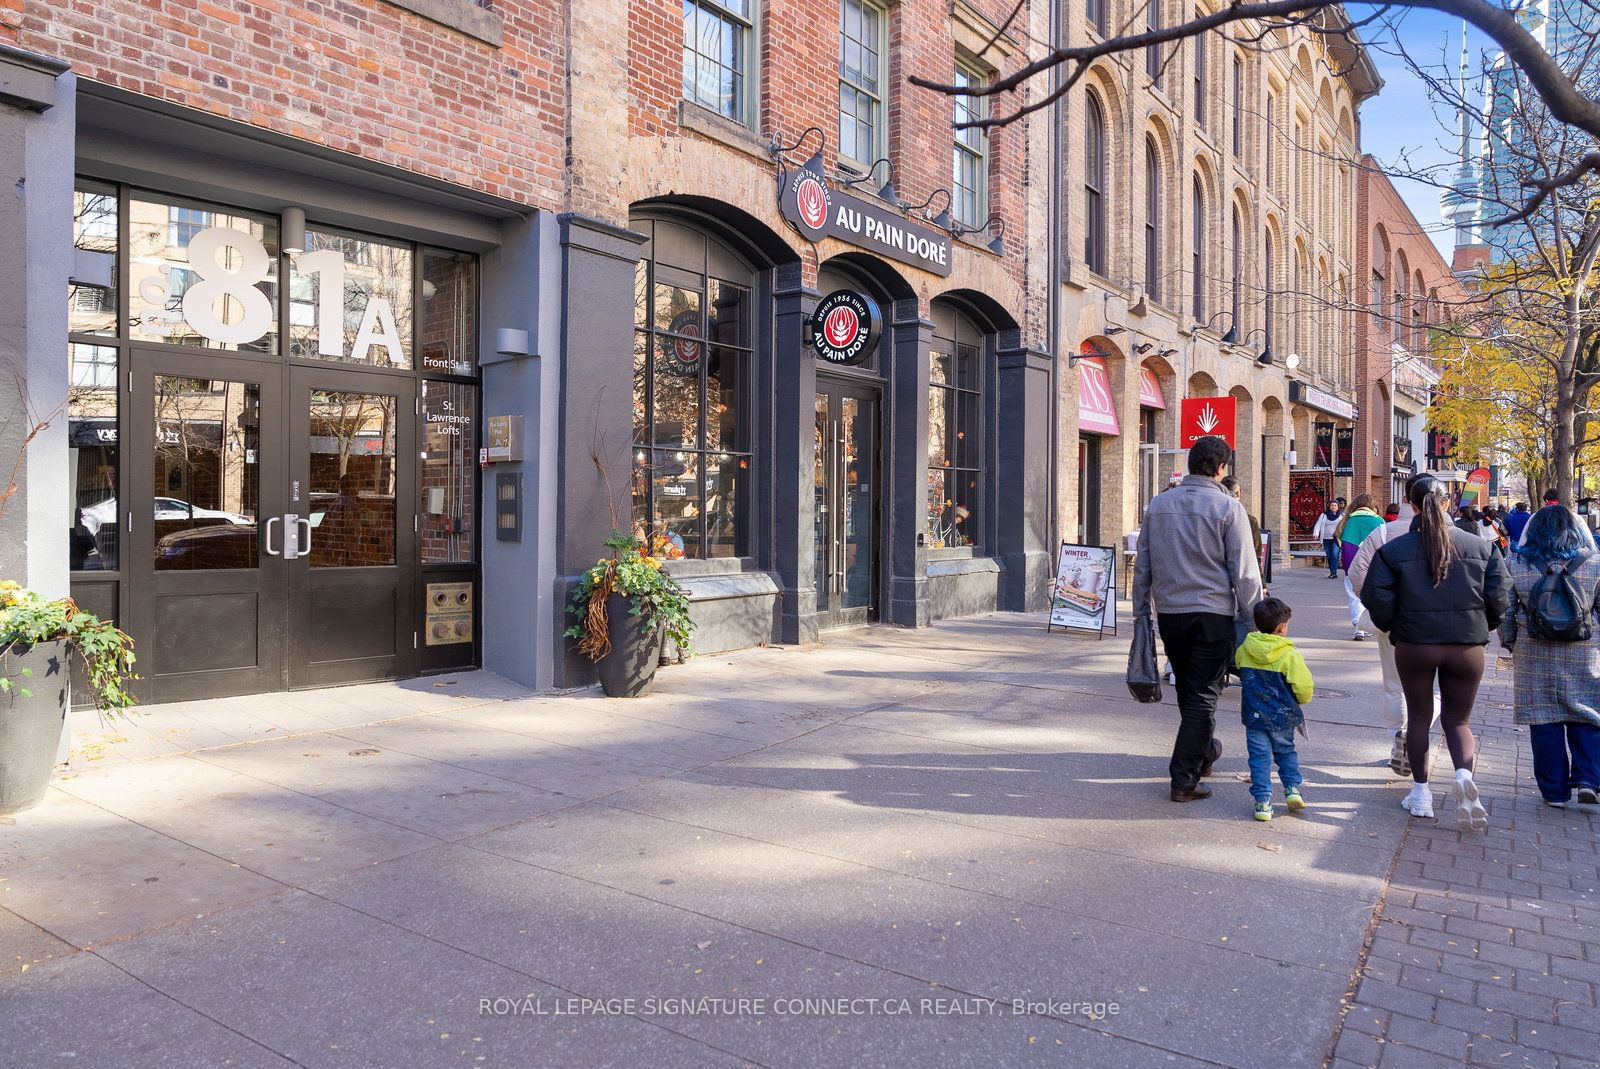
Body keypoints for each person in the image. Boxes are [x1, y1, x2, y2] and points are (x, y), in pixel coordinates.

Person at [1361, 475, 1510, 830]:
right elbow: (1501, 595)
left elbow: (1374, 596)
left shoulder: (1394, 551)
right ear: (1447, 503)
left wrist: (1397, 625)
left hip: (1415, 644)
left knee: (1418, 718)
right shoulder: (1480, 546)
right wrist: (1481, 625)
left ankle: (1421, 794)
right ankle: (1462, 777)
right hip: (1466, 645)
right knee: (1458, 721)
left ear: (1412, 505)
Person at [1132, 435, 1265, 803]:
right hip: (1212, 614)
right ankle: (1184, 777)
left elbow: (1143, 565)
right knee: (1204, 694)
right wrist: (1256, 623)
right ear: (1222, 468)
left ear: (1191, 463)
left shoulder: (1158, 506)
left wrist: (1141, 612)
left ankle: (1204, 752)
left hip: (1172, 615)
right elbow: (1245, 572)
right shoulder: (1227, 508)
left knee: (1191, 689)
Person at [1497, 505, 1600, 808]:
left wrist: (1511, 642)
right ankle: (1588, 780)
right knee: (1588, 712)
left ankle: (1554, 791)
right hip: (1585, 649)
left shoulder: (1517, 561)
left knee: (1543, 719)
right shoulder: (1595, 562)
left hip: (1534, 650)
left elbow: (1507, 609)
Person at [1350, 478, 1443, 776]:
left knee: (1395, 684)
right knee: (1436, 688)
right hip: (1441, 624)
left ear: (1407, 499)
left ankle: (1399, 738)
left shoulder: (1385, 532)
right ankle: (1418, 731)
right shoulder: (1456, 535)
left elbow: (1357, 573)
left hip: (1394, 623)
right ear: (1443, 501)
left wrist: (1381, 605)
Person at [1235, 597, 1313, 821]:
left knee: (1259, 759)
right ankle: (1292, 789)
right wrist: (1302, 699)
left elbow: (1239, 666)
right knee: (1286, 752)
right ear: (1281, 628)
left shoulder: (1245, 649)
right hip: (1282, 716)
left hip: (1254, 716)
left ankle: (1262, 803)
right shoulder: (1289, 654)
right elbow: (1303, 685)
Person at [1335, 495, 1383, 641]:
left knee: (1353, 595)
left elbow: (1338, 537)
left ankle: (1358, 627)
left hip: (1352, 563)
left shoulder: (1348, 521)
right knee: (1371, 596)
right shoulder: (1378, 521)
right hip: (1374, 565)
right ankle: (1366, 625)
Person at [1313, 498, 1345, 579]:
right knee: (1329, 555)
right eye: (1332, 505)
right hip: (1326, 538)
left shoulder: (1341, 515)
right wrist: (1316, 533)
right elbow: (1318, 524)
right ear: (1329, 506)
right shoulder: (1324, 515)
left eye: (1335, 505)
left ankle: (1334, 573)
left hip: (1336, 538)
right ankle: (1332, 571)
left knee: (1335, 554)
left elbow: (1345, 526)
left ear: (1338, 507)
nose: (1333, 507)